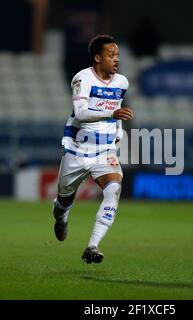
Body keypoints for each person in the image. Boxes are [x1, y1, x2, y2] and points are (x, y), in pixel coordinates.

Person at [52, 35, 134, 264]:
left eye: (118, 55)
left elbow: (116, 107)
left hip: (105, 151)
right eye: (111, 55)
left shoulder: (121, 82)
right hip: (77, 150)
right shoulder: (82, 78)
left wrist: (118, 131)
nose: (116, 59)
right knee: (63, 203)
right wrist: (112, 115)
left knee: (113, 189)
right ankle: (61, 218)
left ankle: (92, 246)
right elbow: (80, 113)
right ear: (98, 58)